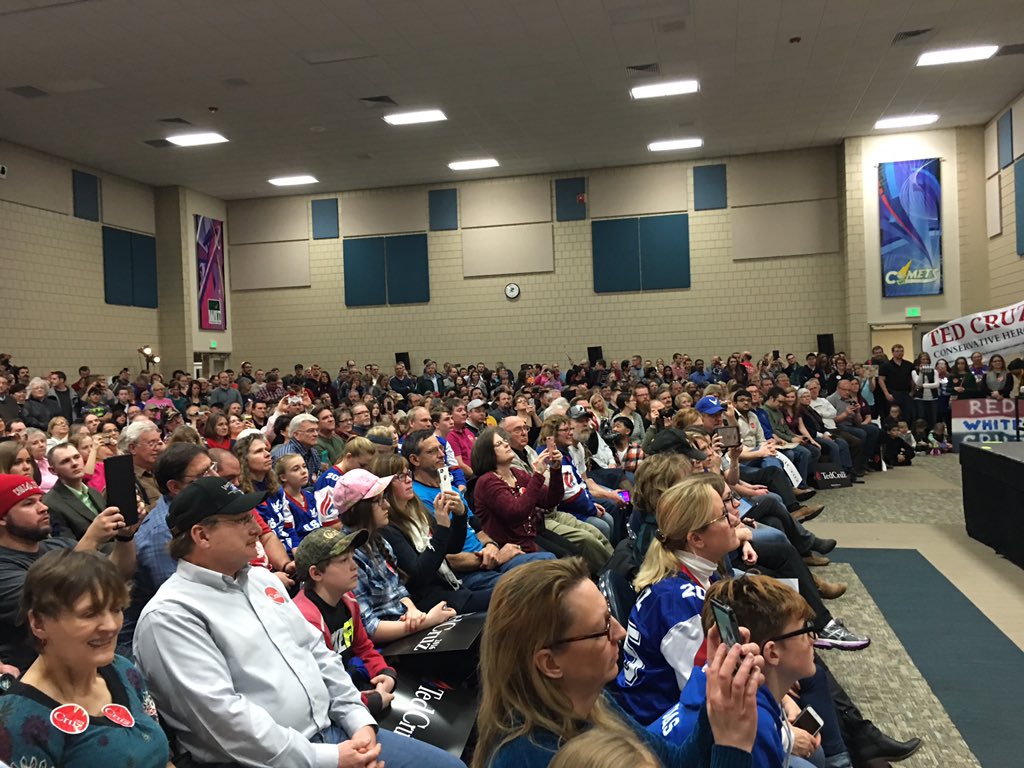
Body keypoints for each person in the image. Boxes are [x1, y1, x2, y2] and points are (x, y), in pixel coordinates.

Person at [134, 476, 465, 768]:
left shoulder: (263, 580)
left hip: (336, 733)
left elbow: (318, 653)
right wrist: (329, 758)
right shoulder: (171, 616)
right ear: (202, 536)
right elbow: (223, 721)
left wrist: (358, 720)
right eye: (241, 520)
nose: (256, 529)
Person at [472, 556, 761, 768]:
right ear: (550, 663)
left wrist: (716, 695)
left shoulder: (592, 701)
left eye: (610, 615)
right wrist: (732, 746)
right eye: (602, 628)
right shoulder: (542, 758)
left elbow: (673, 762)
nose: (620, 632)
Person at [0, 549, 170, 767]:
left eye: (116, 609)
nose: (111, 626)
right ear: (39, 623)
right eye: (90, 614)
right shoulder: (16, 723)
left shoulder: (122, 670)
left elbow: (163, 759)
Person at [651, 575, 825, 768]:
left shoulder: (711, 680)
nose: (814, 638)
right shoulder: (752, 725)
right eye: (805, 630)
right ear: (772, 652)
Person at [0, 474, 138, 673]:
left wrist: (125, 537)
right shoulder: (4, 566)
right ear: (3, 518)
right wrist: (91, 540)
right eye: (28, 504)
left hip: (95, 654)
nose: (43, 507)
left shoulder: (60, 545)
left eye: (40, 500)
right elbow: (51, 600)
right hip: (42, 672)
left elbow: (118, 575)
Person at [334, 468, 460, 643]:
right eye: (378, 501)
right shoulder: (348, 557)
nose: (387, 505)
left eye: (384, 498)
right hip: (389, 643)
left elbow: (399, 589)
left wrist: (412, 610)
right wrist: (426, 622)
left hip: (406, 626)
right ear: (357, 510)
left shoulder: (379, 541)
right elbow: (369, 628)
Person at [292, 527, 399, 720]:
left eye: (352, 557)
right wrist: (370, 702)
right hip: (324, 707)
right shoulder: (306, 619)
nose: (354, 565)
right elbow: (320, 687)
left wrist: (383, 672)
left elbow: (364, 647)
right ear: (316, 573)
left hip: (347, 687)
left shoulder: (348, 599)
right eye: (343, 560)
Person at [375, 452, 493, 613]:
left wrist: (460, 515)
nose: (408, 480)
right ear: (385, 486)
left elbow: (453, 547)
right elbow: (419, 575)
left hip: (452, 588)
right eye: (400, 477)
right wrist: (442, 527)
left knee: (513, 590)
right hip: (430, 602)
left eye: (408, 474)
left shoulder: (417, 511)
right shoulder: (387, 528)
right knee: (508, 596)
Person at [471, 426, 575, 556]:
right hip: (510, 548)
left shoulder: (517, 474)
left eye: (504, 441)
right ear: (487, 454)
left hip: (530, 537)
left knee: (574, 553)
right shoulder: (487, 482)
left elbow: (551, 500)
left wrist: (555, 469)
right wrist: (538, 475)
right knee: (564, 559)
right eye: (498, 444)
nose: (506, 444)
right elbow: (517, 513)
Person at [41, 443, 107, 540]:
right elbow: (66, 546)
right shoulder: (50, 504)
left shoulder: (94, 492)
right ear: (53, 471)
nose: (75, 463)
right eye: (65, 461)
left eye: (76, 457)